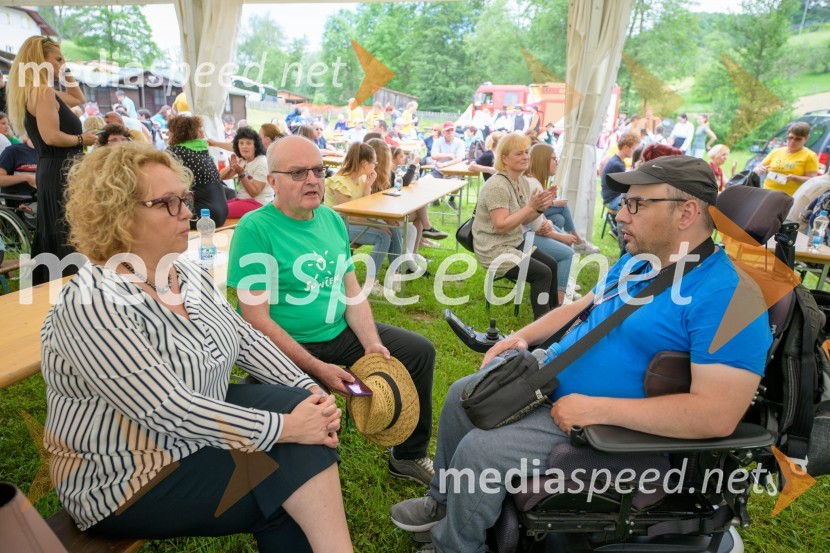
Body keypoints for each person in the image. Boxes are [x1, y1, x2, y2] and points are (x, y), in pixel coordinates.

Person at [390, 155, 772, 553]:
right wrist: (521, 337)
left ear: (687, 212)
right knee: (462, 396)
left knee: (481, 452)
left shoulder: (731, 297)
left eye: (636, 204)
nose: (620, 213)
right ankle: (444, 501)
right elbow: (583, 307)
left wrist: (596, 410)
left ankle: (457, 546)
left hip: (601, 424)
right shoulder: (640, 261)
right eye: (625, 202)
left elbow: (717, 414)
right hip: (551, 377)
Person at [44, 143, 352, 552]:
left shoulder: (184, 274)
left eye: (184, 198)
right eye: (167, 203)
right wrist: (288, 427)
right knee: (291, 470)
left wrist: (308, 388)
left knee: (298, 414)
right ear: (119, 214)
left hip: (196, 435)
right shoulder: (93, 302)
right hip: (125, 476)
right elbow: (166, 409)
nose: (188, 211)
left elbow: (246, 340)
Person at [228, 135, 437, 486]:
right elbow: (256, 319)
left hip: (336, 332)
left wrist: (370, 344)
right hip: (284, 346)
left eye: (318, 170)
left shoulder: (331, 220)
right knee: (307, 414)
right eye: (298, 173)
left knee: (418, 352)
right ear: (273, 181)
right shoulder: (255, 229)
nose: (312, 180)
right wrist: (317, 370)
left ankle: (409, 455)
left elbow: (350, 289)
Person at [7, 35, 98, 284]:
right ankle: (70, 283)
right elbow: (51, 137)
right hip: (61, 170)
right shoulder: (43, 94)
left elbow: (79, 98)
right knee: (66, 230)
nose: (62, 64)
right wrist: (83, 139)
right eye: (57, 59)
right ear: (40, 62)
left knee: (62, 229)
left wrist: (63, 67)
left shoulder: (39, 93)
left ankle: (63, 283)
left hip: (56, 169)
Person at [471, 133, 558, 320]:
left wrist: (542, 207)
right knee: (542, 273)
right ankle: (543, 325)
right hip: (493, 248)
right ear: (504, 159)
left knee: (551, 264)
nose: (526, 157)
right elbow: (501, 225)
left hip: (512, 242)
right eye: (519, 154)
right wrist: (530, 207)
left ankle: (555, 316)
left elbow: (525, 220)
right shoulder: (497, 186)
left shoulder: (522, 182)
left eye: (526, 152)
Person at [324, 141, 401, 295]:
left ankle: (394, 275)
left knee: (394, 228)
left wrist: (368, 187)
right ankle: (370, 283)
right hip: (338, 225)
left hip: (352, 221)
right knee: (383, 236)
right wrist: (378, 225)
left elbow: (364, 207)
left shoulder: (361, 179)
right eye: (374, 162)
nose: (376, 165)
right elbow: (350, 214)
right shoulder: (339, 181)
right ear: (365, 163)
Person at [529, 143, 600, 256]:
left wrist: (550, 220)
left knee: (559, 218)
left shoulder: (536, 182)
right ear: (543, 160)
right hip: (527, 235)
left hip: (532, 229)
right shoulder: (533, 184)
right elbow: (534, 223)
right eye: (554, 159)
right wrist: (560, 236)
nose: (557, 162)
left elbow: (538, 218)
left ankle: (573, 242)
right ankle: (577, 241)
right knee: (568, 253)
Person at [166, 115, 229, 228]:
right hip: (221, 213)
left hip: (204, 217)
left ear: (177, 133)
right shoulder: (202, 150)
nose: (167, 135)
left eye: (169, 131)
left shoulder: (174, 152)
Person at [753, 121, 819, 196]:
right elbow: (757, 168)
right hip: (767, 193)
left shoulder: (810, 156)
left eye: (798, 139)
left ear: (806, 138)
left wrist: (794, 178)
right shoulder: (776, 151)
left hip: (789, 197)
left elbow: (811, 179)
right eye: (790, 138)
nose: (792, 142)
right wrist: (760, 169)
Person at [220, 127, 272, 218]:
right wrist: (231, 167)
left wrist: (241, 174)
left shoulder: (261, 162)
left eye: (248, 143)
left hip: (259, 204)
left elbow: (254, 192)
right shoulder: (243, 160)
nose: (244, 146)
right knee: (217, 206)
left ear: (255, 146)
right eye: (241, 143)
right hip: (243, 200)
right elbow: (220, 177)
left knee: (220, 211)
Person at [600, 132, 641, 210]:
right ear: (625, 147)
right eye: (633, 149)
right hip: (613, 201)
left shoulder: (616, 160)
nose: (634, 152)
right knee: (638, 208)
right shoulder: (618, 164)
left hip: (610, 198)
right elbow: (628, 187)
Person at [0, 135, 37, 204]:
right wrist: (26, 177)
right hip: (19, 203)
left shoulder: (52, 155)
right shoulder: (13, 151)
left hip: (43, 201)